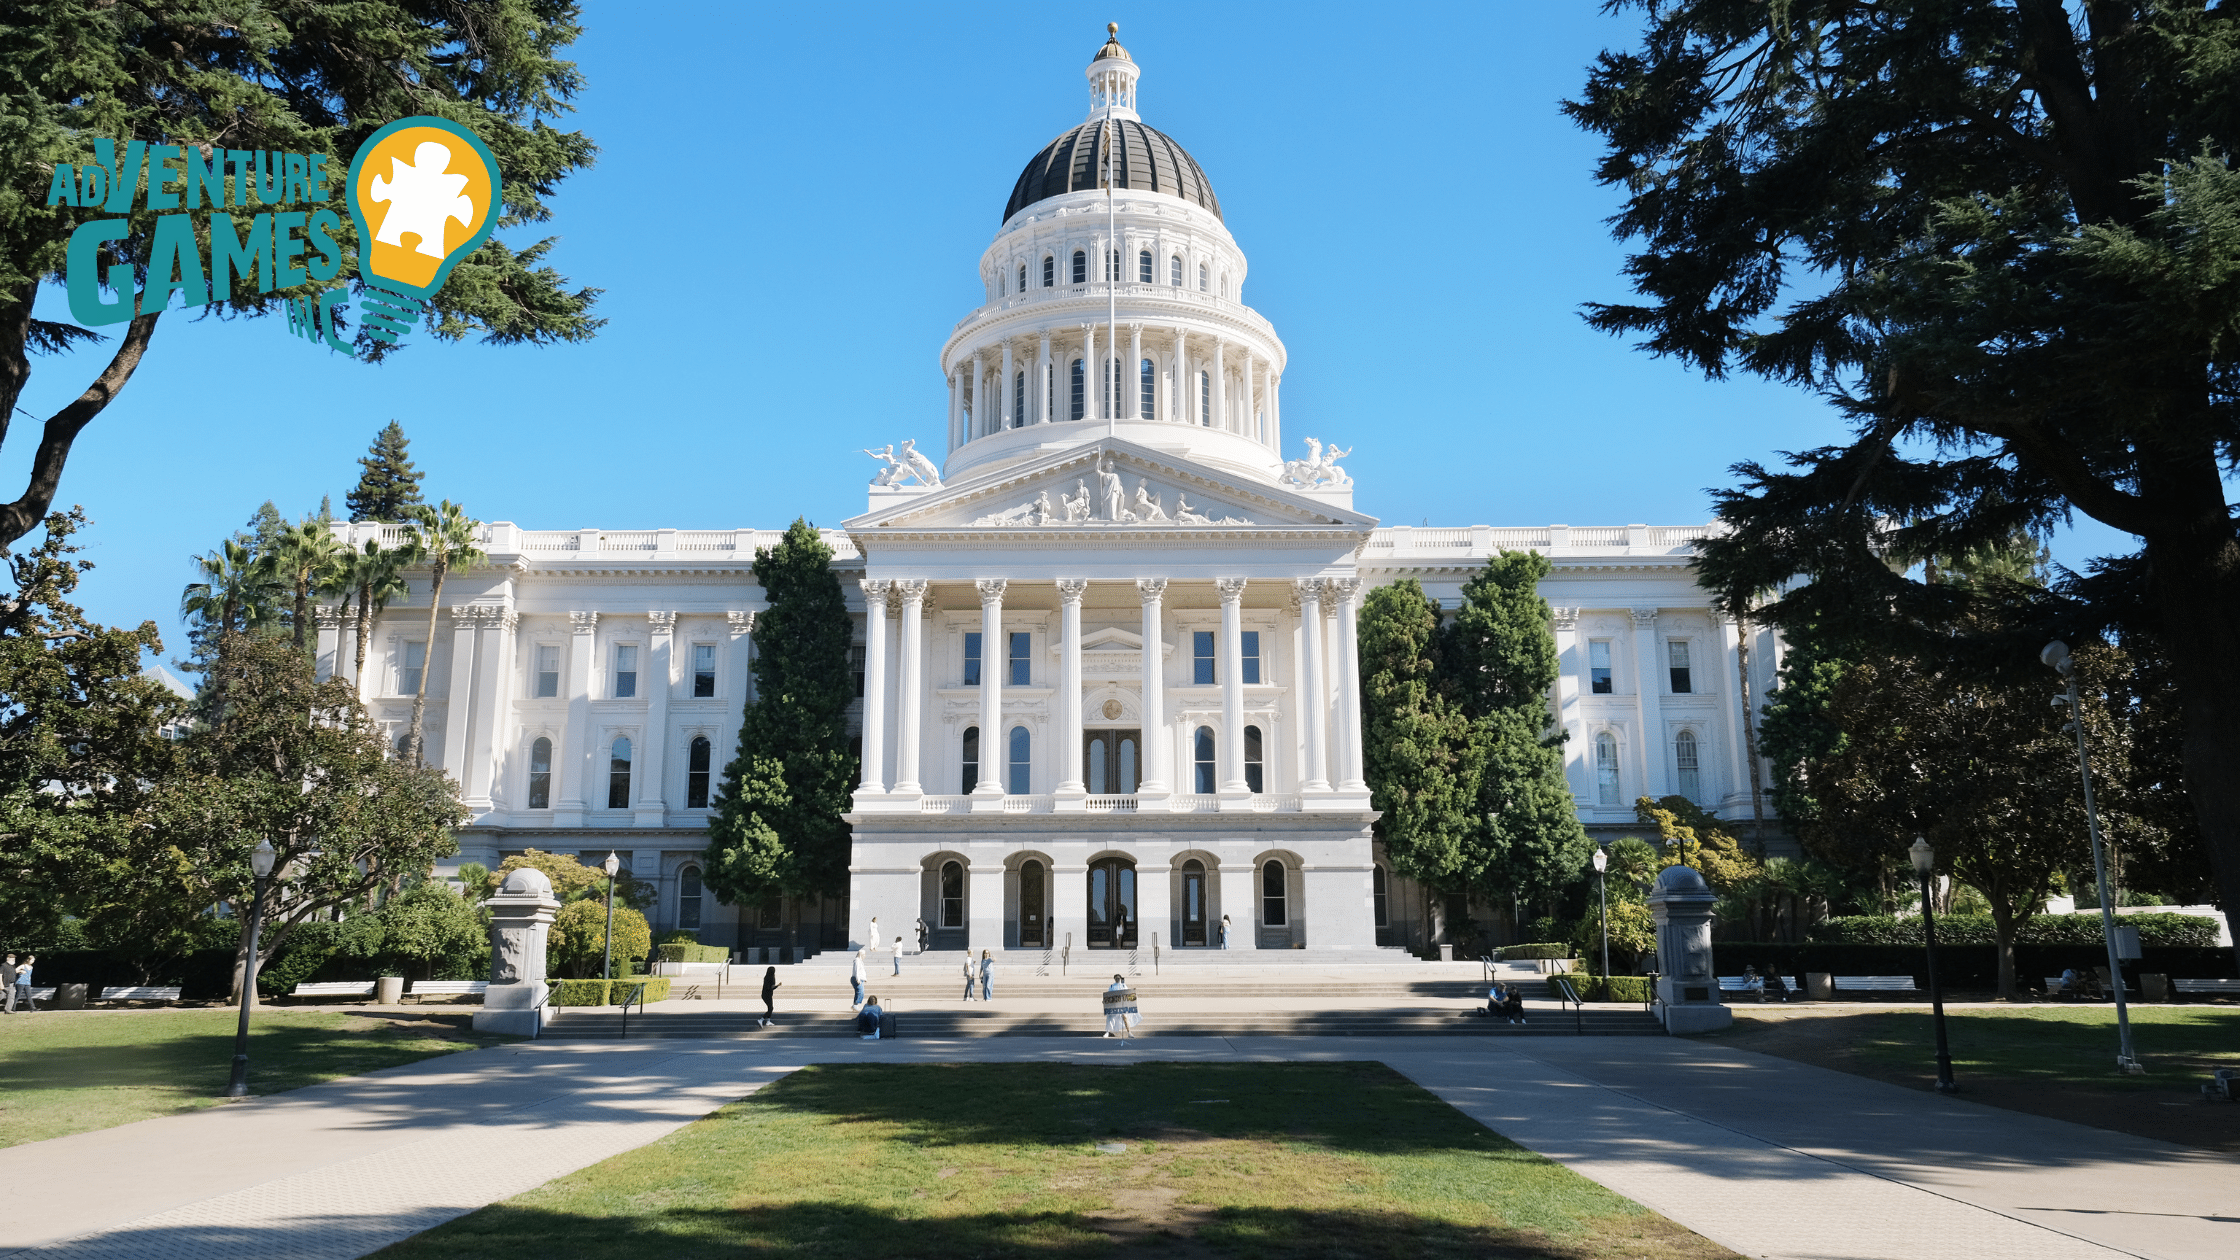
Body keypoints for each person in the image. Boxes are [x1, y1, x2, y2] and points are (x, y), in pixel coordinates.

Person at [1103, 973, 1139, 1039]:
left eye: (1118, 978)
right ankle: (1107, 1032)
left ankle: (1129, 1032)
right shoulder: (1111, 986)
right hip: (1114, 1005)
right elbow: (1108, 995)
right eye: (1116, 978)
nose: (1117, 979)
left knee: (1125, 1017)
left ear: (1120, 978)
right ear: (1114, 979)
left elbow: (1127, 993)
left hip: (1122, 1005)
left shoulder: (1123, 985)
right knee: (1110, 1018)